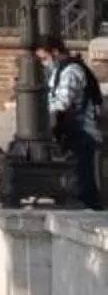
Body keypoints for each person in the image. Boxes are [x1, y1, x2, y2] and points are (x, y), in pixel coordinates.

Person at [45, 36, 101, 205]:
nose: (43, 63)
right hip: (72, 132)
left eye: (44, 58)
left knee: (83, 181)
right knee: (75, 179)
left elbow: (62, 102)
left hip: (83, 133)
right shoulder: (59, 70)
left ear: (54, 52)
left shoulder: (71, 71)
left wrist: (38, 107)